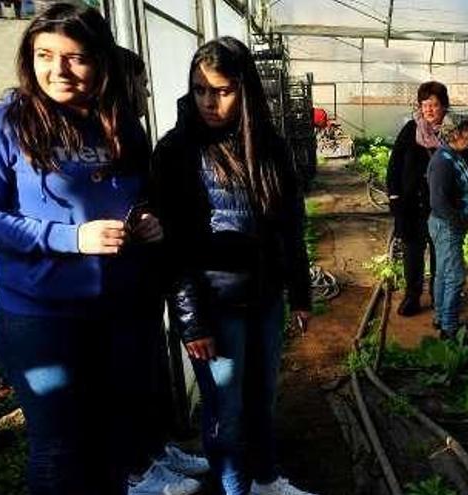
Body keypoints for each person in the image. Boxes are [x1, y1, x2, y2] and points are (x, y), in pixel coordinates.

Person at [0, 4, 162, 494]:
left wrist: (148, 219)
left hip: (115, 311)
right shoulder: (6, 122)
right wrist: (69, 238)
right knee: (58, 446)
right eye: (45, 55)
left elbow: (136, 192)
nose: (58, 70)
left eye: (75, 57)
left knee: (113, 440)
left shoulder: (119, 124)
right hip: (39, 315)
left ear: (101, 62)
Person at [150, 36, 314, 495]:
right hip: (215, 307)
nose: (209, 101)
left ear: (245, 90)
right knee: (227, 410)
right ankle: (235, 489)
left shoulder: (269, 147)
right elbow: (173, 250)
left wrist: (299, 294)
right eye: (201, 89)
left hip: (265, 299)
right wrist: (191, 323)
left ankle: (266, 480)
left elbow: (289, 226)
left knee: (262, 398)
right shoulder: (177, 152)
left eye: (221, 91)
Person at [115, 46, 211, 495]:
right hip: (117, 282)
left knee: (149, 371)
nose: (147, 89)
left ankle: (155, 450)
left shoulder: (129, 132)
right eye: (140, 80)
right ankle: (136, 469)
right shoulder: (111, 136)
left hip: (142, 277)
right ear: (120, 82)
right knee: (128, 379)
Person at [386, 81, 468, 317]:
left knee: (441, 253)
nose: (428, 109)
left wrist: (462, 202)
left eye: (434, 105)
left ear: (443, 106)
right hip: (411, 205)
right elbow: (394, 165)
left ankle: (440, 297)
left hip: (441, 205)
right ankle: (412, 296)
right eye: (424, 104)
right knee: (412, 251)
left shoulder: (453, 132)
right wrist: (394, 197)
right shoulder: (410, 130)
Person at [427, 113, 468, 339]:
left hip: (450, 224)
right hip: (446, 226)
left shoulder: (457, 155)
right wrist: (465, 219)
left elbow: (465, 181)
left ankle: (440, 317)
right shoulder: (442, 162)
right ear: (455, 133)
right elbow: (439, 204)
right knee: (455, 277)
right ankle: (449, 329)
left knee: (443, 274)